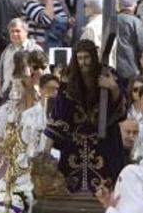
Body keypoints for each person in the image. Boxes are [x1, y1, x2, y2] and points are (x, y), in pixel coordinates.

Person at [45, 40, 127, 192]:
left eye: (87, 57)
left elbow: (121, 110)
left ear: (94, 57)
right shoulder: (68, 79)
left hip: (104, 141)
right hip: (75, 142)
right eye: (80, 58)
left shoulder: (108, 74)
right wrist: (46, 151)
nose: (84, 63)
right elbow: (59, 114)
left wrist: (113, 87)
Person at [115, 0, 143, 84]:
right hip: (130, 68)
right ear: (134, 7)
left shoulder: (110, 20)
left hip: (112, 69)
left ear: (120, 6)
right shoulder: (136, 22)